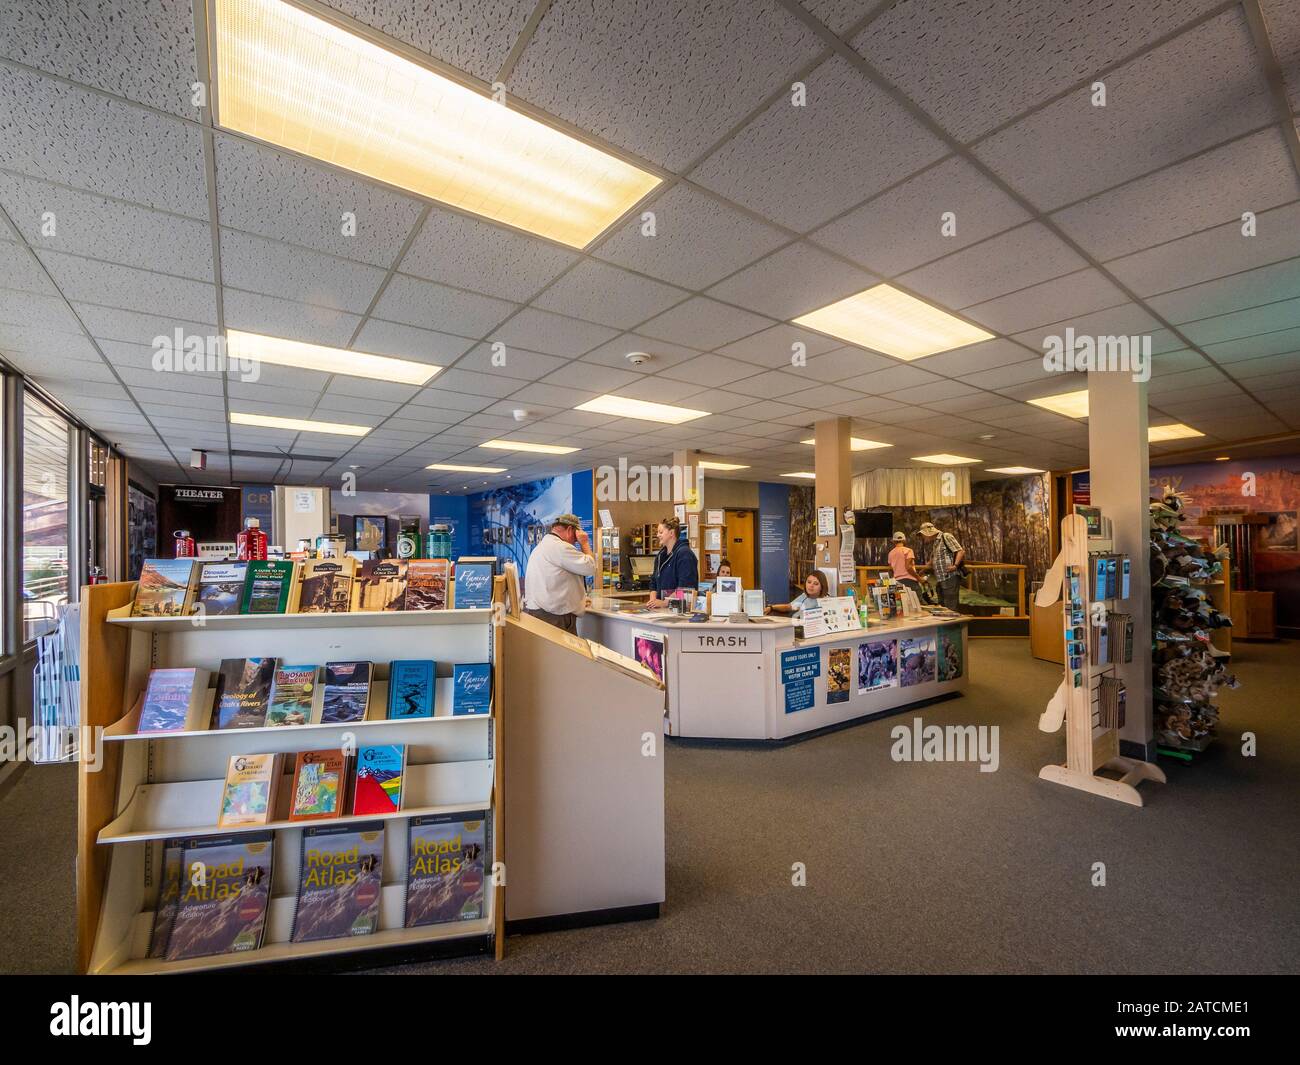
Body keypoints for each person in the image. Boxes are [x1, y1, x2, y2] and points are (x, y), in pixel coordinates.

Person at [522, 513, 596, 632]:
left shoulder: (542, 547)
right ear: (570, 530)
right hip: (555, 618)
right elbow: (590, 567)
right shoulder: (560, 547)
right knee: (563, 651)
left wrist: (578, 598)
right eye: (575, 538)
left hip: (541, 613)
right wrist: (585, 543)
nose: (574, 542)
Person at [647, 516, 699, 607]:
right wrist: (653, 601)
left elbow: (685, 588)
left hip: (680, 609)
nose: (658, 535)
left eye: (661, 532)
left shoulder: (685, 554)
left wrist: (665, 603)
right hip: (661, 610)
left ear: (671, 533)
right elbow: (653, 582)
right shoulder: (660, 555)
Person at [919, 521, 965, 610]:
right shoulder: (936, 543)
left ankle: (952, 623)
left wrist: (955, 565)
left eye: (923, 535)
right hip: (941, 578)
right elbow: (933, 560)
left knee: (950, 605)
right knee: (943, 605)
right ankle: (945, 622)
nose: (923, 538)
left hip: (950, 577)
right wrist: (921, 572)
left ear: (928, 533)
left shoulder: (946, 536)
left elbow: (960, 551)